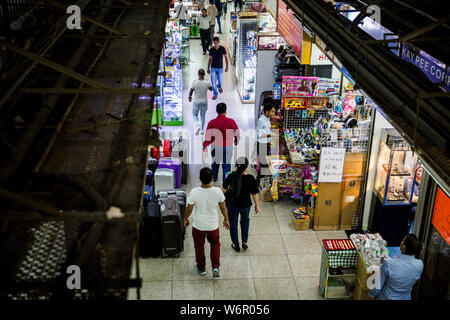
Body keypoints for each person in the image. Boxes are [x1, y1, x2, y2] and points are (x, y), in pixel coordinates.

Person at [184, 167, 230, 277]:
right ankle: (215, 267)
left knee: (199, 246)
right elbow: (223, 207)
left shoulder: (195, 192)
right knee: (215, 244)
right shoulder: (218, 191)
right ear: (212, 178)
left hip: (198, 226)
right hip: (213, 226)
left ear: (199, 178)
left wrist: (185, 219)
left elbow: (189, 209)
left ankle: (202, 268)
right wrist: (226, 219)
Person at [369, 234, 424, 300]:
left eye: (403, 241)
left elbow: (377, 285)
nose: (401, 242)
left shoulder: (389, 263)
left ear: (404, 247)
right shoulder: (420, 265)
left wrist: (371, 295)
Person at [223, 157, 259, 252]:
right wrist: (257, 205)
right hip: (246, 205)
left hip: (233, 205)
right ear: (246, 167)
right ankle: (244, 242)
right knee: (245, 221)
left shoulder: (231, 176)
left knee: (233, 224)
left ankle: (236, 244)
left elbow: (224, 189)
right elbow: (254, 193)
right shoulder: (251, 178)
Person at [203, 103, 240, 185]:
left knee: (215, 164)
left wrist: (205, 147)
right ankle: (226, 183)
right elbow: (237, 133)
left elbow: (207, 137)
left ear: (216, 111)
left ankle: (214, 178)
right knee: (227, 167)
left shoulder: (212, 122)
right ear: (226, 111)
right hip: (228, 147)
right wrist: (236, 140)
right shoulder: (231, 121)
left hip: (215, 147)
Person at [255, 104, 275, 185]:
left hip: (267, 143)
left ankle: (261, 180)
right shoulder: (261, 120)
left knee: (265, 163)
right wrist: (270, 135)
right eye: (272, 111)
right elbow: (258, 134)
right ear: (267, 112)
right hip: (262, 144)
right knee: (263, 164)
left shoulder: (267, 118)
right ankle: (258, 182)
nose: (274, 113)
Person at [189, 68, 212, 135]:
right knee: (203, 116)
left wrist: (189, 97)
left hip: (196, 102)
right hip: (204, 102)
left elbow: (191, 91)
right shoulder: (207, 82)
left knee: (194, 114)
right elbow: (211, 89)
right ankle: (201, 129)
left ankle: (197, 126)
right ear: (204, 74)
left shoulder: (194, 82)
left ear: (198, 74)